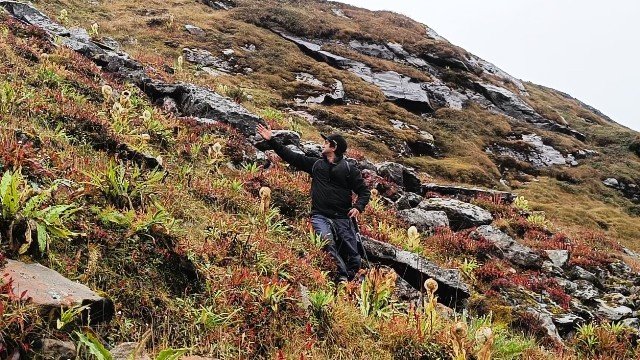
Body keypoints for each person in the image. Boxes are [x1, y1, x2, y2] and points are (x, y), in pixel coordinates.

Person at [256, 124, 371, 283]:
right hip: (320, 216)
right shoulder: (316, 165)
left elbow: (364, 192)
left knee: (353, 255)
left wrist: (358, 207)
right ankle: (342, 277)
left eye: (326, 143)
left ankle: (355, 280)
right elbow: (291, 156)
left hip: (343, 218)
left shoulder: (350, 169)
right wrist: (272, 140)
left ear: (333, 147)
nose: (323, 145)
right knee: (326, 241)